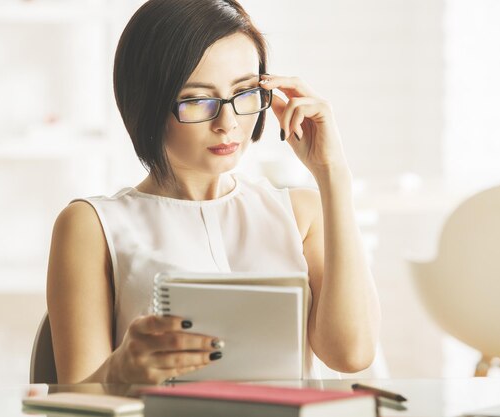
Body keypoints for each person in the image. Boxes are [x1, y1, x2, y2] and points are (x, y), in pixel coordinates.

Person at [46, 0, 381, 385]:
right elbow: (75, 402)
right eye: (197, 100)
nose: (228, 123)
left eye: (244, 93)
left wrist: (332, 173)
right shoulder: (91, 225)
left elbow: (352, 354)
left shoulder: (301, 213)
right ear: (147, 105)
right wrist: (121, 371)